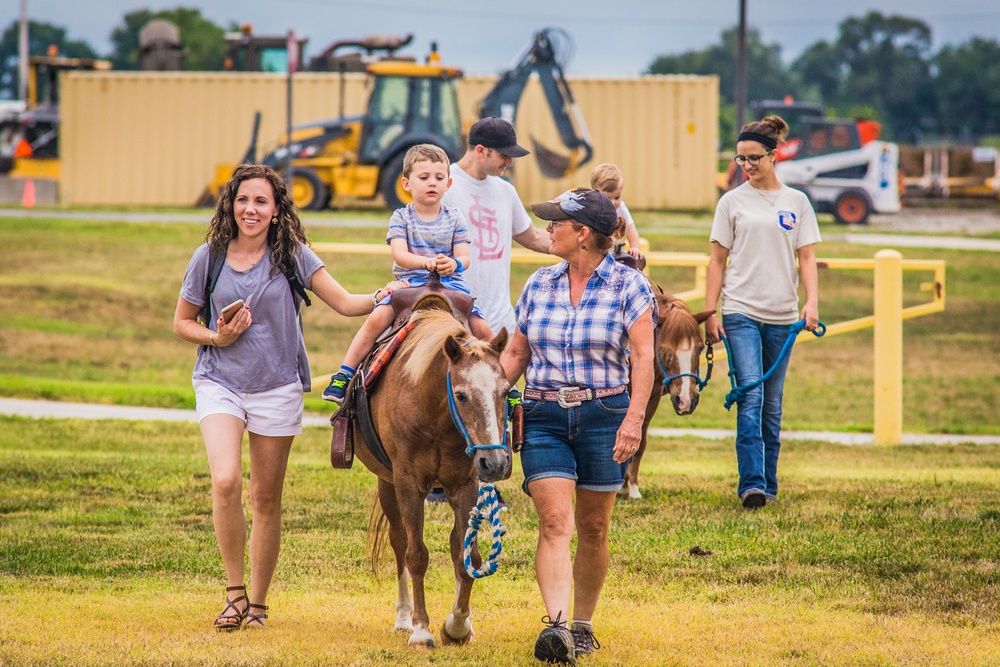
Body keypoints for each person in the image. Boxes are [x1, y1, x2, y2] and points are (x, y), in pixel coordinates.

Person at [173, 164, 402, 630]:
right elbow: (182, 322)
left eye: (261, 202)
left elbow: (344, 303)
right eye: (242, 200)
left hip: (277, 386)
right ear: (230, 205)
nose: (250, 209)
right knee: (225, 480)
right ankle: (233, 594)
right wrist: (216, 338)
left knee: (266, 499)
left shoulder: (292, 255)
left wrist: (385, 295)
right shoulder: (209, 256)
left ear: (277, 210)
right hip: (219, 380)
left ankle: (257, 605)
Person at [500, 188, 655, 664]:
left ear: (582, 234)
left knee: (593, 526)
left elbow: (645, 358)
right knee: (554, 522)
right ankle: (559, 627)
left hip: (604, 414)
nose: (547, 229)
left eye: (555, 223)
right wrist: (486, 402)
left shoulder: (629, 287)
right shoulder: (538, 284)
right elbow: (516, 353)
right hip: (543, 413)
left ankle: (583, 623)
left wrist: (633, 421)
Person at [429, 117, 552, 506]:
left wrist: (581, 240)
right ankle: (441, 479)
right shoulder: (442, 183)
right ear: (480, 150)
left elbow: (531, 236)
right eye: (504, 155)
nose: (509, 163)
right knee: (449, 402)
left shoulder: (504, 192)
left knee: (495, 401)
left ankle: (487, 479)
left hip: (499, 318)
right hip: (455, 316)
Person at [704, 115, 821, 509]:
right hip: (740, 311)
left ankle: (769, 482)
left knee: (773, 404)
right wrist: (711, 312)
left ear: (773, 156)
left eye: (754, 158)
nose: (747, 166)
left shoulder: (797, 202)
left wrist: (811, 303)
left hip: (783, 315)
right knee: (750, 395)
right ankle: (751, 484)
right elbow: (716, 261)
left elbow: (806, 257)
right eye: (741, 159)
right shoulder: (731, 202)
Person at [322, 143, 492, 403]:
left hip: (451, 285)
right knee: (377, 319)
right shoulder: (401, 218)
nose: (431, 183)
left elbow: (464, 257)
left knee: (484, 330)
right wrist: (426, 263)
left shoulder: (456, 218)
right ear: (406, 183)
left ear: (448, 184)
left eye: (438, 178)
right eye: (423, 178)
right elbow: (400, 255)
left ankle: (502, 382)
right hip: (410, 285)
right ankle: (344, 374)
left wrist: (453, 265)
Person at [589, 163, 643, 261]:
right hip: (593, 253)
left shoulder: (621, 208)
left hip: (614, 254)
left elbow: (630, 229)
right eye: (607, 198)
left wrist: (634, 246)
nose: (613, 203)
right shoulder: (592, 209)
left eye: (617, 197)